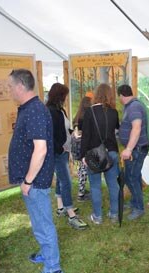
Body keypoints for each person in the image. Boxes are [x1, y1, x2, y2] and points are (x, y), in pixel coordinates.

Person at [8, 69, 62, 273]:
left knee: (43, 223)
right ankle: (47, 254)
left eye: (11, 86)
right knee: (38, 221)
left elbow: (41, 149)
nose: (9, 90)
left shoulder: (35, 110)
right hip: (32, 180)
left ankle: (53, 266)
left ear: (21, 86)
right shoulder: (29, 108)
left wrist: (28, 181)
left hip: (35, 181)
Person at [46, 82, 88, 230]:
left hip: (64, 150)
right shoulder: (50, 111)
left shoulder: (60, 110)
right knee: (67, 182)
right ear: (59, 96)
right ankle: (71, 215)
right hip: (57, 152)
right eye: (64, 96)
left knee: (61, 180)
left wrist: (73, 133)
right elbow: (49, 135)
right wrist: (61, 147)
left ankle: (60, 207)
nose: (66, 98)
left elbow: (64, 128)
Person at [81, 83, 120, 224]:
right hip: (112, 152)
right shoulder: (114, 112)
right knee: (113, 185)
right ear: (110, 95)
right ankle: (114, 214)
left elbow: (85, 136)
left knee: (95, 186)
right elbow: (116, 131)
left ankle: (97, 217)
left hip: (94, 153)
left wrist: (82, 156)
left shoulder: (89, 112)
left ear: (97, 95)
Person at [118, 84, 149, 220]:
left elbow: (136, 129)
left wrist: (128, 149)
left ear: (121, 95)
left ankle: (139, 208)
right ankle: (135, 202)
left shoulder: (134, 107)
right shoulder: (130, 106)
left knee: (131, 177)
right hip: (135, 149)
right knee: (133, 176)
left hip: (136, 149)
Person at [72, 93, 93, 202]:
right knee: (84, 170)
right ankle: (81, 194)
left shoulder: (77, 116)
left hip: (76, 146)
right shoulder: (87, 117)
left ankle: (82, 191)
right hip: (85, 146)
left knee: (81, 169)